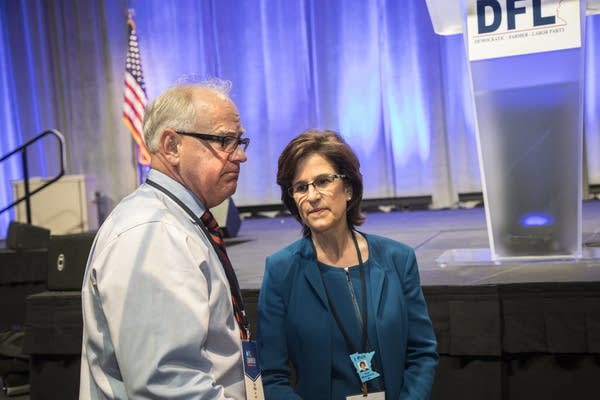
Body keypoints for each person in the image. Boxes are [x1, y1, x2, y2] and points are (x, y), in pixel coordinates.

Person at [79, 79, 251, 399]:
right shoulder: (154, 232)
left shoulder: (172, 220)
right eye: (225, 141)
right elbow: (169, 386)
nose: (240, 156)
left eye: (240, 142)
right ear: (171, 146)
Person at [257, 129, 438, 400]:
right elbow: (271, 376)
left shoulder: (398, 259)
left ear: (349, 188)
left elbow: (422, 354)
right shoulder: (280, 270)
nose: (313, 196)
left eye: (323, 181)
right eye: (301, 187)